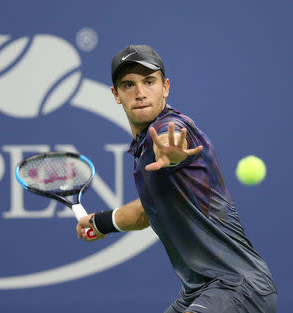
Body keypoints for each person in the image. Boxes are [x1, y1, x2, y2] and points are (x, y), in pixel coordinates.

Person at [76, 44, 278, 313]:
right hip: (199, 290)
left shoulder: (170, 129)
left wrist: (173, 155)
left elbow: (174, 142)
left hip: (238, 286)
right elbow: (148, 211)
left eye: (149, 82)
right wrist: (102, 222)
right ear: (116, 94)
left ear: (165, 87)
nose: (140, 93)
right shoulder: (141, 147)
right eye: (128, 85)